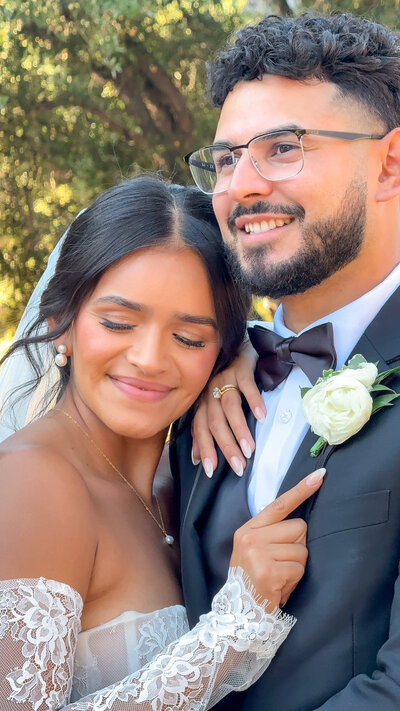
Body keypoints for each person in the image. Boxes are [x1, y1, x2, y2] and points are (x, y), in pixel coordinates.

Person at [0, 176, 324, 710]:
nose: (150, 358)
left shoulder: (183, 480)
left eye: (189, 338)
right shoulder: (32, 481)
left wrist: (241, 357)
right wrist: (237, 623)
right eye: (118, 322)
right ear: (61, 324)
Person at [175, 11, 400, 711]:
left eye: (282, 148)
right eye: (225, 158)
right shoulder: (193, 375)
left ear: (390, 164)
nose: (240, 185)